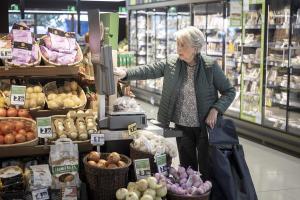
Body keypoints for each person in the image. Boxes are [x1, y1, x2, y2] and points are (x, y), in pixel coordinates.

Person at [114, 26, 236, 180]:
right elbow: (149, 70)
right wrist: (126, 73)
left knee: (207, 168)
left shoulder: (210, 66)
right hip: (182, 126)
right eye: (177, 44)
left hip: (205, 127)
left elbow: (229, 91)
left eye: (182, 45)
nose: (178, 48)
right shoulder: (173, 62)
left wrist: (215, 109)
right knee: (187, 168)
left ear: (195, 47)